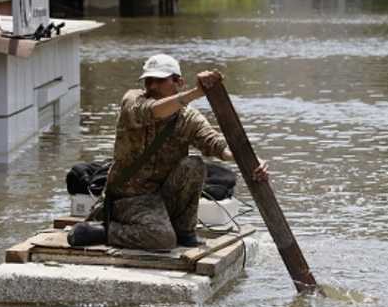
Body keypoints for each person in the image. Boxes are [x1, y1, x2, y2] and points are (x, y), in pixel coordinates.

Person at [100, 54, 269, 250]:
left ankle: (184, 230)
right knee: (162, 239)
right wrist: (197, 92)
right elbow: (153, 111)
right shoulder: (133, 100)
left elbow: (215, 144)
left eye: (160, 80)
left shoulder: (188, 118)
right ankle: (103, 231)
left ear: (178, 82)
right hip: (129, 198)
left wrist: (251, 160)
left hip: (162, 197)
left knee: (194, 165)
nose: (152, 86)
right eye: (149, 80)